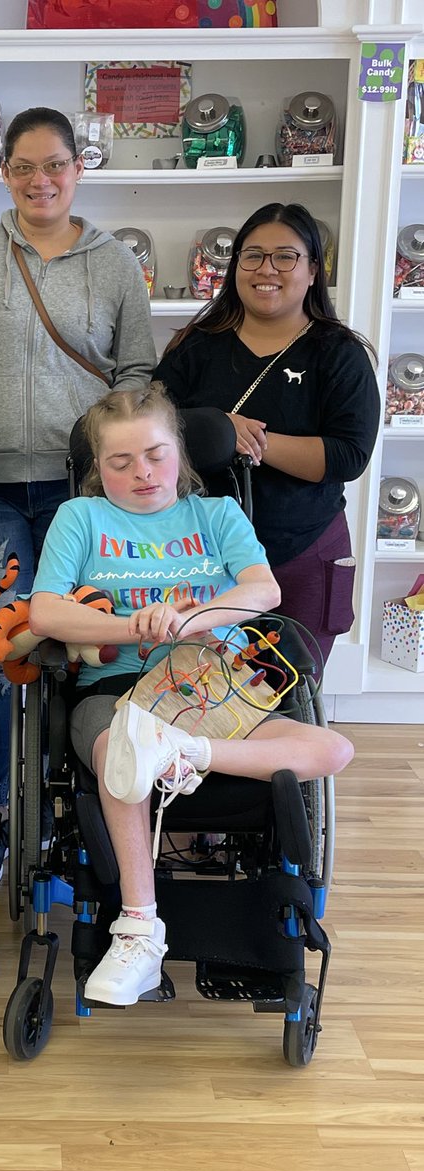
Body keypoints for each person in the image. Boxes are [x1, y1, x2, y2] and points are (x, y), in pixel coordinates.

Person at [28, 386, 354, 1007]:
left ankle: (187, 752)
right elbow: (44, 613)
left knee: (332, 749)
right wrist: (137, 625)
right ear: (99, 468)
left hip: (217, 685)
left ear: (180, 452)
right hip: (119, 690)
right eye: (120, 463)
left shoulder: (218, 515)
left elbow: (264, 592)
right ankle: (139, 930)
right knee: (124, 748)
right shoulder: (82, 518)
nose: (142, 473)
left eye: (155, 454)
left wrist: (193, 618)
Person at [0, 105, 156, 822]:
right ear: (4, 172)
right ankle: (1, 796)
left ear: (79, 170)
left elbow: (136, 374)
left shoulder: (112, 263)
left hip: (83, 492)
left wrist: (114, 471)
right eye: (24, 167)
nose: (40, 180)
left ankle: (75, 786)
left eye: (55, 165)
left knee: (84, 635)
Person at [153, 202, 379, 666]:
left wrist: (257, 442)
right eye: (251, 255)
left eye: (285, 256)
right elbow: (151, 424)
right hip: (200, 555)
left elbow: (348, 456)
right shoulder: (197, 344)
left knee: (288, 694)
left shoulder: (338, 353)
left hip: (302, 550)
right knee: (198, 697)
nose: (266, 269)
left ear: (314, 269)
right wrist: (217, 427)